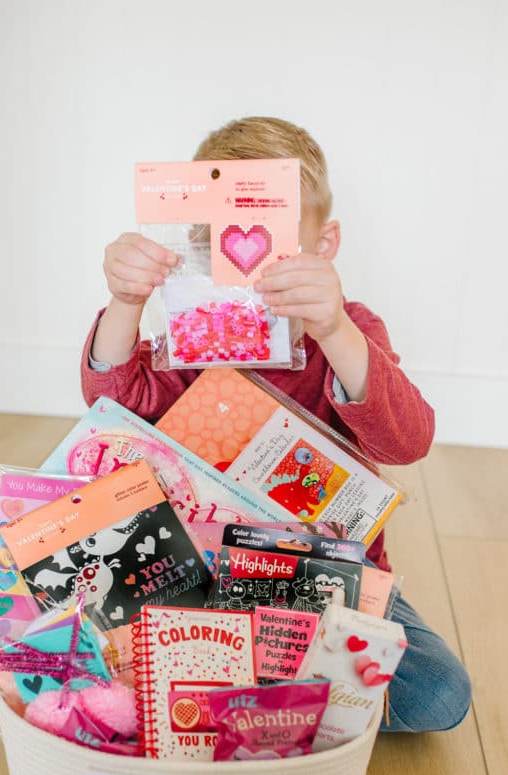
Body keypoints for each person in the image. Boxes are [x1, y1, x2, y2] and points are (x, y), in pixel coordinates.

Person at [80, 116, 471, 733]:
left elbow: (407, 441)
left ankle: (217, 690)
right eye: (222, 244)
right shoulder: (191, 340)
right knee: (100, 617)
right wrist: (127, 302)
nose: (249, 269)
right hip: (211, 578)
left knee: (441, 696)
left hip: (324, 582)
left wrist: (335, 329)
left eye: (276, 242)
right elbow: (111, 406)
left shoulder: (353, 331)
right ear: (197, 250)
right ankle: (236, 687)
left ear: (326, 245)